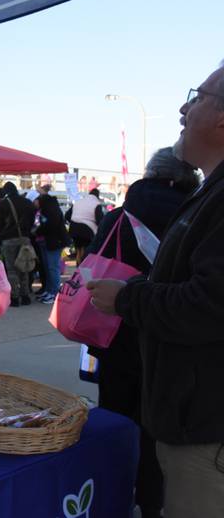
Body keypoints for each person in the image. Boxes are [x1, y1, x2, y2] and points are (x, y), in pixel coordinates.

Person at [88, 65, 224, 518]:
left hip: (205, 430)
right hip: (186, 417)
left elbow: (209, 306)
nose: (184, 109)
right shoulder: (209, 193)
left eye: (197, 97)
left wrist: (127, 297)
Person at [85, 147, 199, 518]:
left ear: (150, 174)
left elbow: (90, 266)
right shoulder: (196, 214)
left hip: (114, 333)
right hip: (170, 336)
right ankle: (151, 502)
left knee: (115, 418)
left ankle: (110, 496)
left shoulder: (119, 216)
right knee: (155, 429)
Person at [0, 181, 36, 306]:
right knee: (24, 267)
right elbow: (33, 220)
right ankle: (25, 296)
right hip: (25, 239)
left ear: (6, 192)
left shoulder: (3, 204)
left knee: (11, 269)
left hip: (8, 240)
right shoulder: (28, 203)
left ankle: (14, 298)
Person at [32, 192, 69, 304]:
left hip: (53, 242)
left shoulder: (51, 211)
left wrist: (37, 231)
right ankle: (49, 290)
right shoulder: (46, 210)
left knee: (53, 268)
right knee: (48, 267)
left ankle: (54, 293)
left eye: (36, 200)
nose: (34, 203)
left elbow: (49, 226)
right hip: (46, 242)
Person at [66, 188, 104, 264]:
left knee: (78, 251)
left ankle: (78, 268)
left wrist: (76, 220)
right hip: (87, 230)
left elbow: (67, 215)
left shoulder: (78, 202)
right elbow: (99, 220)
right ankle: (83, 269)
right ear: (97, 196)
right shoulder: (96, 203)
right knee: (86, 252)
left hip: (74, 228)